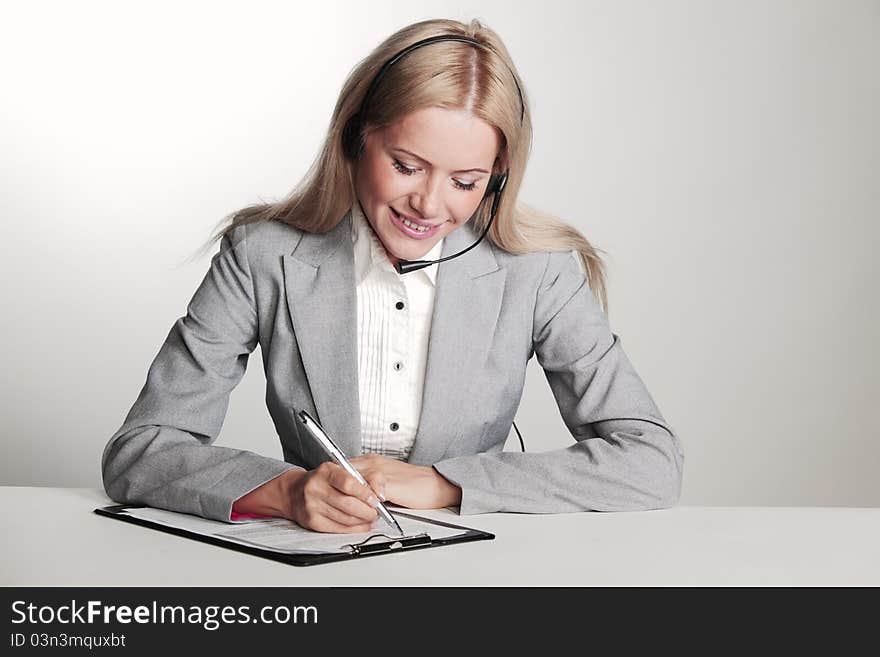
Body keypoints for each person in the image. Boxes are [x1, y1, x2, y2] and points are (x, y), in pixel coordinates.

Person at [102, 18, 684, 534]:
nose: (430, 206)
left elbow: (651, 462)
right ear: (355, 140)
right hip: (318, 570)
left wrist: (442, 485)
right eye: (407, 166)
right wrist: (286, 492)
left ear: (498, 179)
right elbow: (140, 451)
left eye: (466, 181)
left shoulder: (539, 271)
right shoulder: (263, 253)